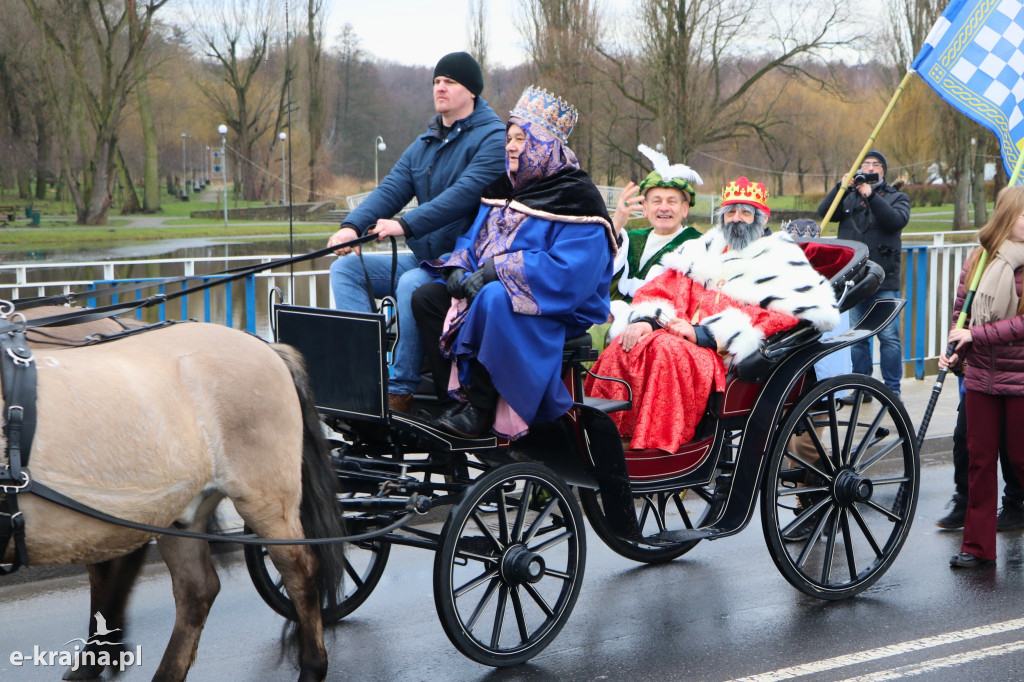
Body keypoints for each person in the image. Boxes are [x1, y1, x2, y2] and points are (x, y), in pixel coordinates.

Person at [411, 86, 615, 439]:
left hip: (555, 307)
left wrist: (495, 272)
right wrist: (460, 268)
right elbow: (473, 240)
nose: (510, 146)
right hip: (503, 296)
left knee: (492, 297)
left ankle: (480, 408)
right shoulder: (502, 188)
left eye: (521, 138)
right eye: (509, 138)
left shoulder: (579, 198)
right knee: (428, 297)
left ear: (544, 144)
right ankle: (454, 399)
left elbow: (570, 274)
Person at [587, 178, 840, 454]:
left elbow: (779, 317)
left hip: (721, 355)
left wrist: (704, 333)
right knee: (627, 344)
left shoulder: (778, 258)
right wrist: (647, 320)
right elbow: (665, 289)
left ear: (761, 217)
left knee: (664, 349)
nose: (737, 219)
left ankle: (653, 444)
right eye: (730, 212)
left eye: (745, 212)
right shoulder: (703, 249)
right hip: (678, 334)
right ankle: (608, 436)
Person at [326, 52, 506, 413]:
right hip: (426, 256)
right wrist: (351, 227)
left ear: (471, 91)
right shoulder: (426, 142)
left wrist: (405, 224)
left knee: (411, 284)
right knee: (344, 270)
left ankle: (400, 388)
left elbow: (463, 195)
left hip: (463, 262)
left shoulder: (494, 138)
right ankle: (365, 372)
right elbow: (389, 190)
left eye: (450, 81)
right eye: (437, 81)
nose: (440, 87)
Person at [939, 185, 1024, 568]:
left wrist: (977, 335)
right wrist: (955, 353)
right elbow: (963, 315)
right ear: (1007, 216)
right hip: (982, 379)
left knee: (1021, 459)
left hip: (1020, 380)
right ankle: (977, 547)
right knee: (979, 460)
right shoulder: (978, 260)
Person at [817, 150, 910, 397]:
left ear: (883, 171)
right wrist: (841, 187)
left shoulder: (896, 197)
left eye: (875, 164)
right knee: (856, 338)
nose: (870, 168)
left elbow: (894, 221)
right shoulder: (848, 197)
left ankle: (893, 390)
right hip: (853, 280)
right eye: (865, 164)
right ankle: (862, 388)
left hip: (884, 278)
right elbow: (823, 212)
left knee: (889, 337)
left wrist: (871, 196)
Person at [592, 145, 702, 349]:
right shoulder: (629, 239)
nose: (663, 208)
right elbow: (593, 269)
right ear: (644, 208)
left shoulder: (695, 245)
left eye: (672, 201)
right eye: (656, 201)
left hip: (660, 329)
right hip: (611, 317)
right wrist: (616, 223)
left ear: (685, 209)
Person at [936, 381, 1022, 531]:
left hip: (1012, 378)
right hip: (980, 377)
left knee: (1009, 440)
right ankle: (966, 501)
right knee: (963, 435)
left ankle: (1015, 504)